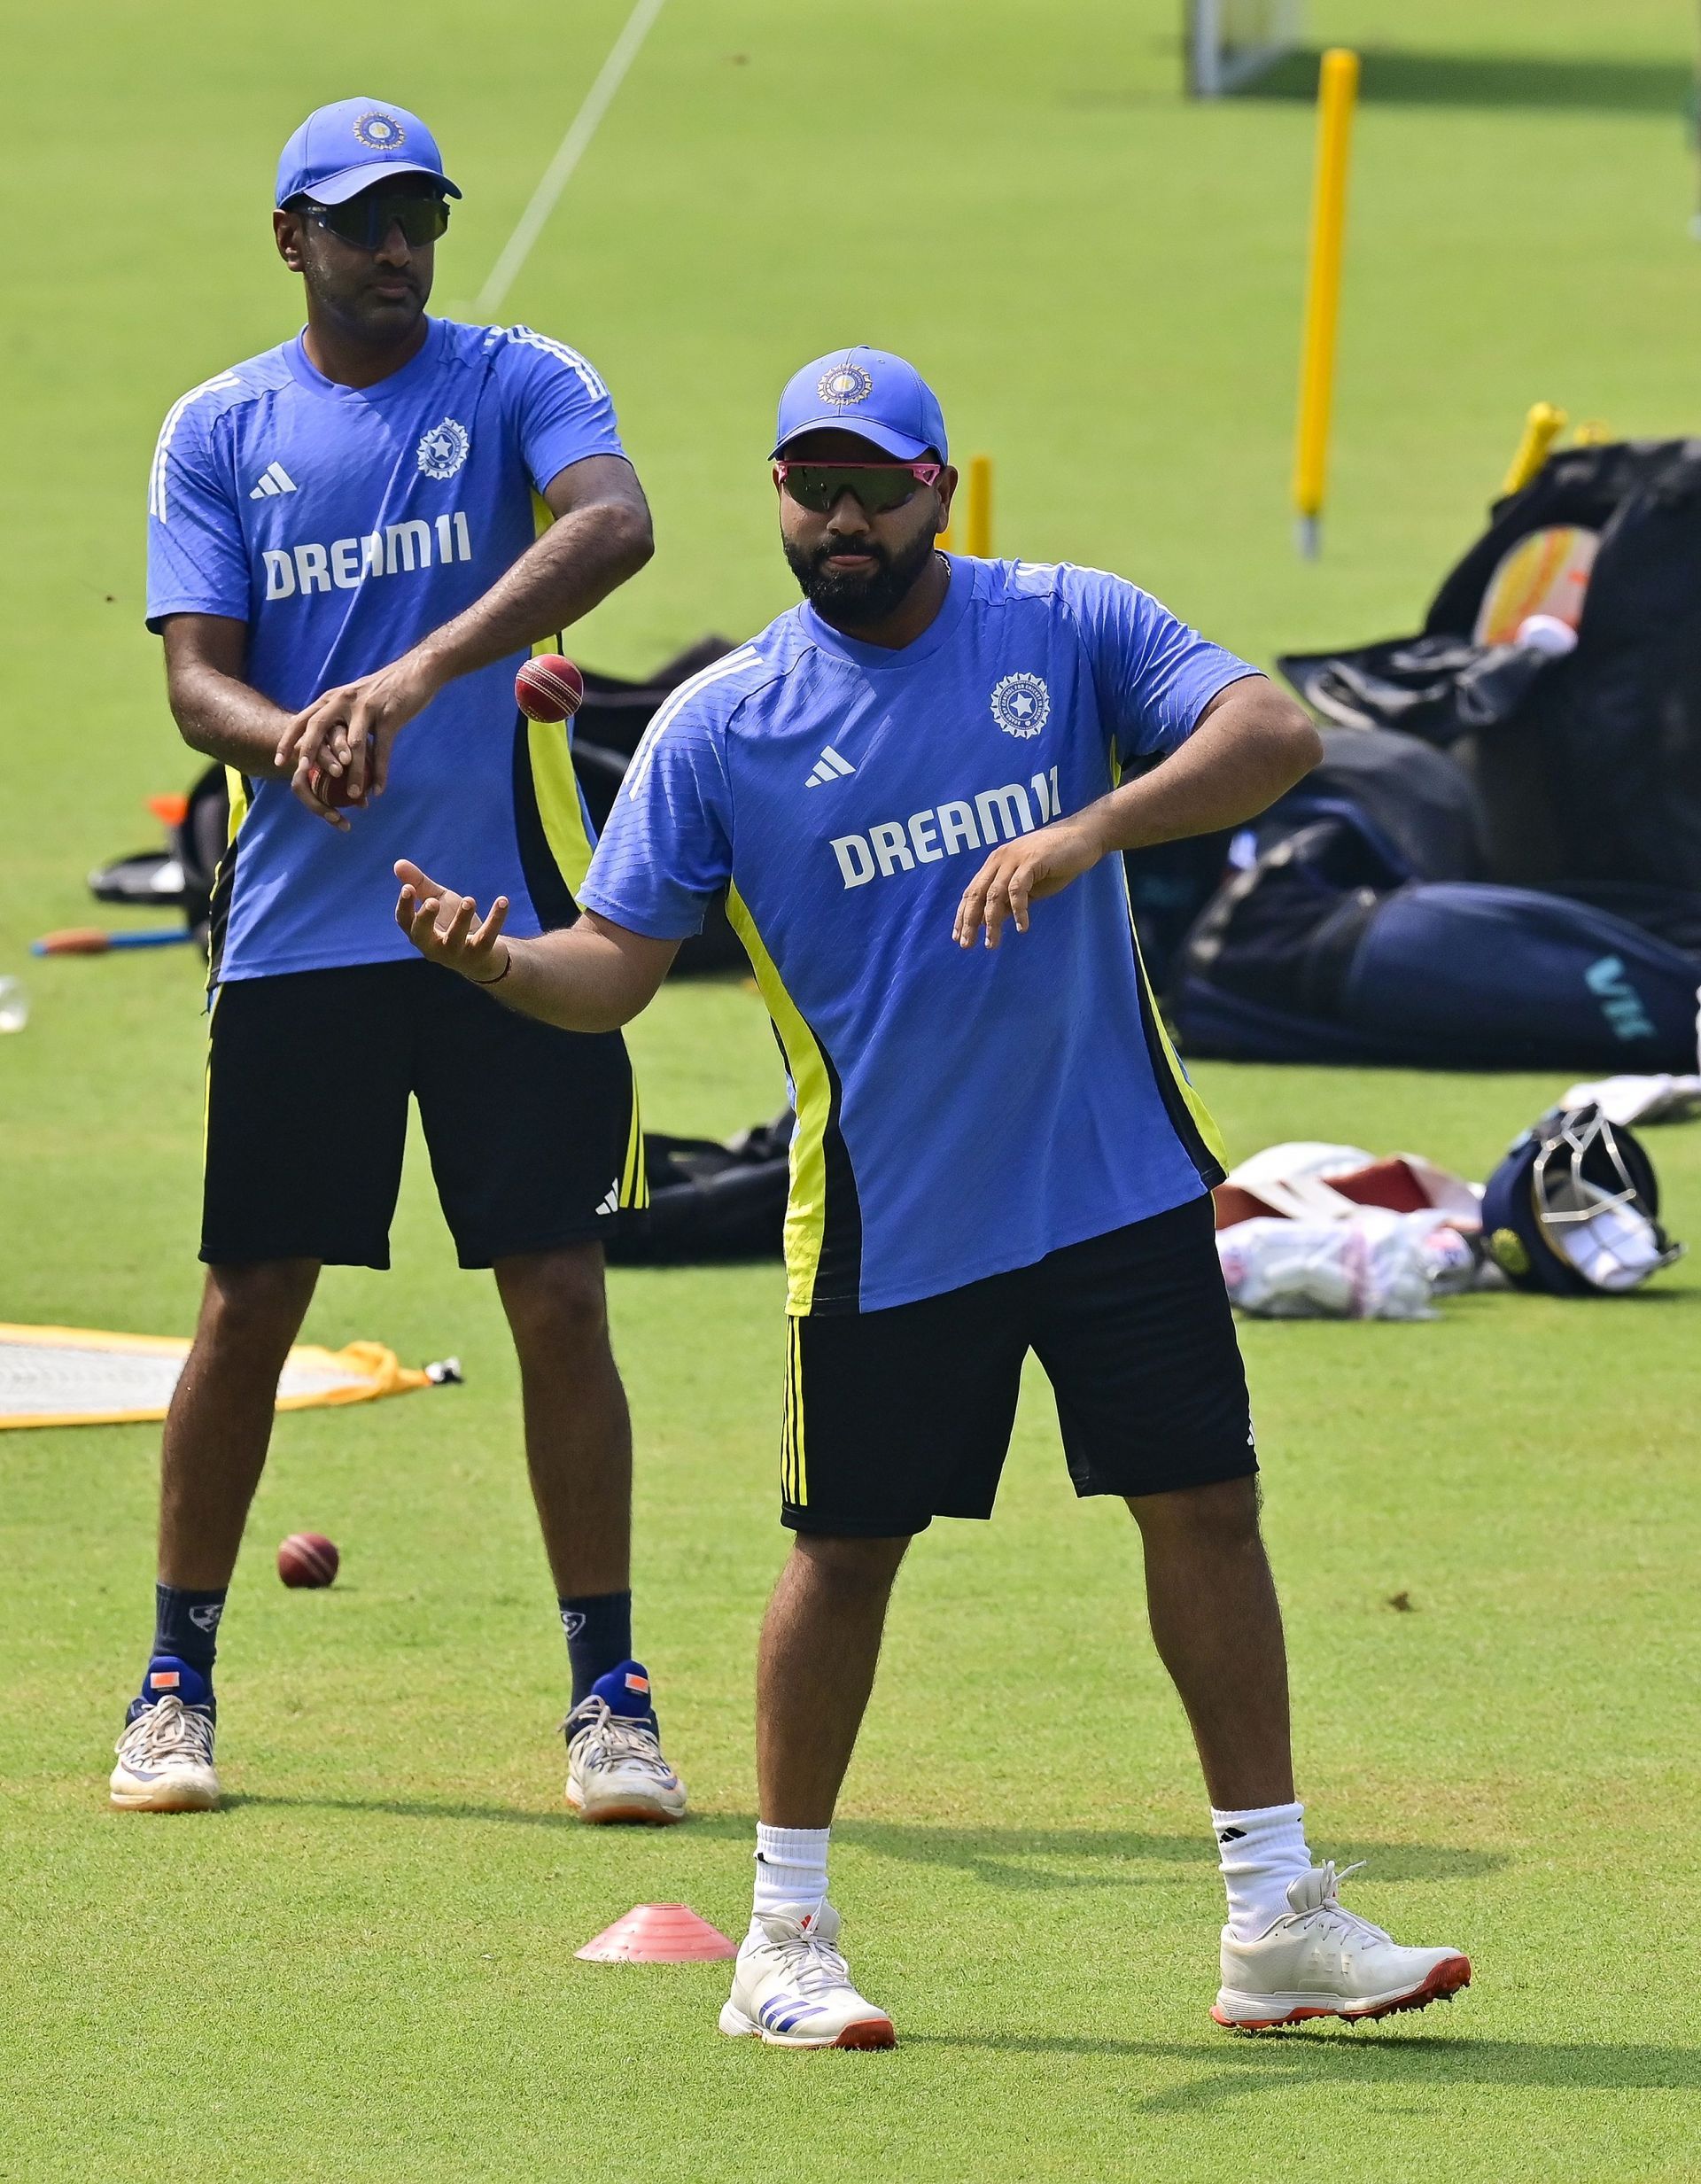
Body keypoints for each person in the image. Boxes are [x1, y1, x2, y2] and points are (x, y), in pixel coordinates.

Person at [392, 346, 1472, 2043]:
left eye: (871, 484)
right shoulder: (719, 725)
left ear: (935, 489)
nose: (839, 517)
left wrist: (1086, 831)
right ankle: (782, 1940)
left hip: (1112, 1183)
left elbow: (1277, 730)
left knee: (1208, 1510)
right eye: (808, 486)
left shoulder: (1064, 621)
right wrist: (497, 965)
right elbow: (613, 967)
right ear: (779, 500)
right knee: (846, 1556)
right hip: (895, 1220)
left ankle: (1274, 1916)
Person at [115, 97, 686, 1829]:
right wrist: (293, 739)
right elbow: (195, 682)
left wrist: (418, 674)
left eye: (418, 216)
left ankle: (608, 1697)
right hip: (298, 944)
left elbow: (616, 525)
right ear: (292, 236)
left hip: (497, 931)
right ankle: (172, 1680)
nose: (397, 246)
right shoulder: (217, 430)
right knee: (250, 1304)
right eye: (361, 220)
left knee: (559, 1291)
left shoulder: (520, 378)